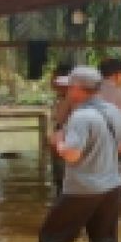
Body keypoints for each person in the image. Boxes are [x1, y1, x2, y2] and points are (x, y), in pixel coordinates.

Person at [39, 66, 121, 242]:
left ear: (78, 89)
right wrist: (101, 152)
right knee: (104, 238)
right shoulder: (113, 111)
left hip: (82, 188)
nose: (66, 91)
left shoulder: (81, 117)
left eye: (69, 87)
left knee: (52, 238)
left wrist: (58, 143)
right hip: (112, 187)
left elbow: (72, 155)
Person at [49, 62, 73, 195]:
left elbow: (60, 119)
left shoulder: (68, 98)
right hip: (62, 138)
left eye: (54, 78)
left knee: (63, 176)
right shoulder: (62, 97)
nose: (51, 82)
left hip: (66, 139)